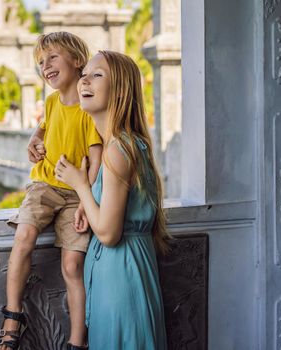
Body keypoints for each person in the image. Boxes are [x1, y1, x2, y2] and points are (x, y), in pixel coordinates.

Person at [55, 51, 169, 349]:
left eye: (97, 75)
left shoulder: (119, 149)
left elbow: (107, 233)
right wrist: (89, 201)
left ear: (120, 89)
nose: (84, 80)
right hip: (124, 272)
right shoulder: (125, 144)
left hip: (122, 277)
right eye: (84, 75)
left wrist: (80, 185)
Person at [0, 32, 103, 350]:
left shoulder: (89, 106)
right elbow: (45, 124)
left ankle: (76, 342)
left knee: (72, 265)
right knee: (24, 237)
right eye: (42, 62)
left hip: (75, 195)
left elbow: (95, 161)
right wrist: (34, 136)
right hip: (44, 186)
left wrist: (87, 202)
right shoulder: (52, 100)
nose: (46, 66)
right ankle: (12, 318)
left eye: (53, 57)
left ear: (77, 61)